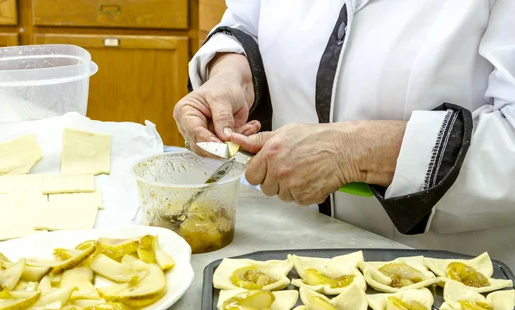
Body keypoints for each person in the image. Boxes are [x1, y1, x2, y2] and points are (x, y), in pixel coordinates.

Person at [173, 0, 515, 266]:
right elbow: (245, 20)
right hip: (288, 245)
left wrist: (355, 152)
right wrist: (229, 74)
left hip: (449, 275)